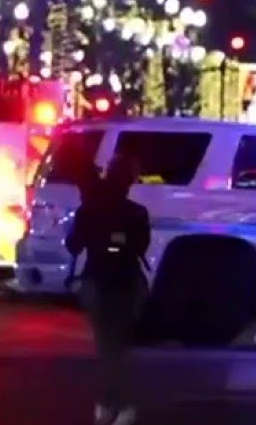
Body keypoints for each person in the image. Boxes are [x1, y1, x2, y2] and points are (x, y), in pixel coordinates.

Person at [65, 154, 151, 425]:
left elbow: (73, 245)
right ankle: (117, 405)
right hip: (127, 280)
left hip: (97, 280)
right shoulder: (137, 212)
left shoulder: (89, 209)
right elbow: (141, 247)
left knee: (106, 347)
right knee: (119, 346)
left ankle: (110, 405)